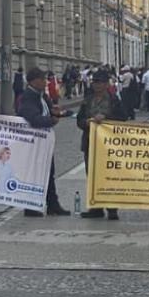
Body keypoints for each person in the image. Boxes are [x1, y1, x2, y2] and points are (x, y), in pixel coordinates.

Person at [18, 66, 71, 217]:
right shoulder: (28, 96)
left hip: (44, 142)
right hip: (34, 143)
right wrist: (50, 121)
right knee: (35, 173)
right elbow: (33, 118)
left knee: (48, 173)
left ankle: (52, 205)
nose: (46, 82)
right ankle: (31, 206)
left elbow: (46, 110)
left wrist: (55, 112)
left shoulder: (41, 95)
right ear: (34, 81)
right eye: (42, 79)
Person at [77, 69, 128, 219]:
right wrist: (86, 122)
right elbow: (79, 120)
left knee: (109, 176)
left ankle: (112, 209)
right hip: (90, 142)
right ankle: (96, 208)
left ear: (106, 84)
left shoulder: (113, 100)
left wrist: (106, 118)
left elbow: (122, 117)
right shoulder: (88, 100)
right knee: (92, 175)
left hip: (109, 145)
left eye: (99, 82)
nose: (96, 85)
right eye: (95, 82)